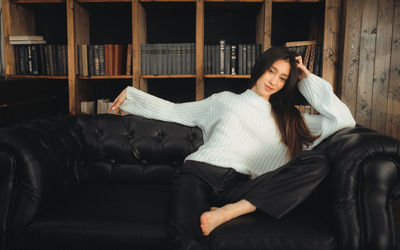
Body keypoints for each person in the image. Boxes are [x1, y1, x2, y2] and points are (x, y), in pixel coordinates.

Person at [107, 46, 356, 250]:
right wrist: (132, 96)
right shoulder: (224, 100)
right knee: (187, 240)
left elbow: (343, 121)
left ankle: (233, 211)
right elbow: (175, 111)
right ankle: (234, 210)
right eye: (271, 71)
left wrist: (306, 80)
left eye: (283, 78)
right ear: (260, 68)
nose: (274, 81)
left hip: (242, 187)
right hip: (198, 175)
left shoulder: (290, 120)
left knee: (317, 162)